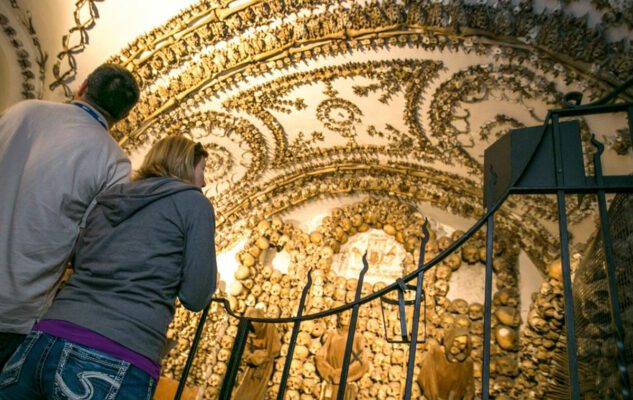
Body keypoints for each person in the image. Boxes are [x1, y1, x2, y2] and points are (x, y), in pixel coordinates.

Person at [0, 136, 217, 399]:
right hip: (115, 354)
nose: (204, 181)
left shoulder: (110, 198)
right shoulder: (194, 203)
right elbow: (196, 296)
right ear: (185, 164)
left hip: (44, 340)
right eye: (202, 169)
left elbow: (80, 259)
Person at [0, 63, 140, 367]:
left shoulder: (23, 112)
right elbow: (93, 243)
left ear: (84, 86)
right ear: (123, 116)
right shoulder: (114, 162)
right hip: (15, 309)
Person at [315, 310, 369, 400]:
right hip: (331, 383)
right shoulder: (332, 336)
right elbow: (319, 357)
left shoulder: (357, 337)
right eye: (342, 315)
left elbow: (362, 361)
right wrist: (329, 372)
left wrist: (342, 374)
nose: (343, 317)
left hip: (346, 384)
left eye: (347, 315)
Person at [234, 307, 281, 400]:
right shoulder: (248, 329)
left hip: (263, 368)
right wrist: (249, 356)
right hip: (249, 367)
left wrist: (259, 356)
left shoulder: (269, 328)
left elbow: (274, 350)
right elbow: (244, 346)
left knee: (255, 394)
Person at [416, 326, 475, 400]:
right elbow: (427, 378)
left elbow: (469, 390)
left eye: (462, 344)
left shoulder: (467, 363)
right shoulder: (436, 353)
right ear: (450, 339)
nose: (457, 346)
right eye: (456, 341)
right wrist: (435, 398)